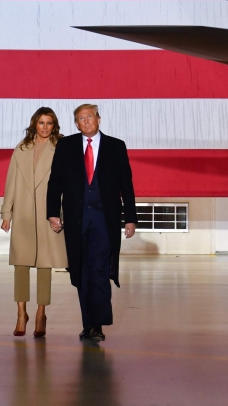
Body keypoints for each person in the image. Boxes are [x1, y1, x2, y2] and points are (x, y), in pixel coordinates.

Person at [47, 104, 137, 342]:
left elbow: (126, 185)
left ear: (98, 119)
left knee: (98, 270)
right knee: (81, 272)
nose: (86, 121)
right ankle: (87, 324)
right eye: (80, 119)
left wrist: (130, 218)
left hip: (103, 221)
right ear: (76, 124)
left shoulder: (116, 147)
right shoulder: (66, 146)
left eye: (89, 116)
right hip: (76, 221)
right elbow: (55, 182)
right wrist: (52, 212)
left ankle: (97, 324)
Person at [1, 107, 68, 337]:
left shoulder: (61, 148)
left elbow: (65, 185)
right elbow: (11, 182)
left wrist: (61, 213)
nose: (45, 127)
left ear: (54, 125)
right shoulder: (21, 149)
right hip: (23, 213)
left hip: (48, 212)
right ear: (34, 124)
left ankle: (41, 313)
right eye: (41, 123)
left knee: (44, 265)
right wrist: (6, 214)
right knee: (20, 264)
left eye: (49, 123)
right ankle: (21, 313)